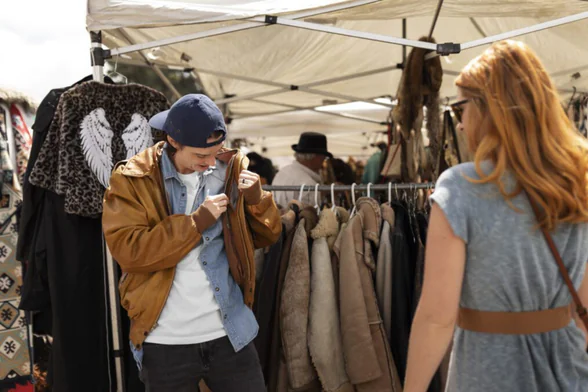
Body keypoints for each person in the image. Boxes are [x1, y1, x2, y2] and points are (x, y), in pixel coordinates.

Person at [404, 40, 588, 392]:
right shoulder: (576, 184)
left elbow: (436, 318)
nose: (460, 125)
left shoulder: (461, 187)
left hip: (487, 374)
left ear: (491, 109)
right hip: (569, 371)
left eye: (461, 109)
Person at [102, 94, 282, 392]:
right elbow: (130, 252)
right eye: (201, 156)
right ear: (173, 141)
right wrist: (196, 223)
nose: (211, 162)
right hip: (165, 342)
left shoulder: (230, 169)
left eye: (216, 152)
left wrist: (258, 202)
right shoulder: (132, 178)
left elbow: (266, 237)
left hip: (231, 333)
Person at [272, 132, 332, 207]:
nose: (323, 160)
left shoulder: (281, 173)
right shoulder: (309, 184)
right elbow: (311, 216)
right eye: (323, 157)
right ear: (315, 157)